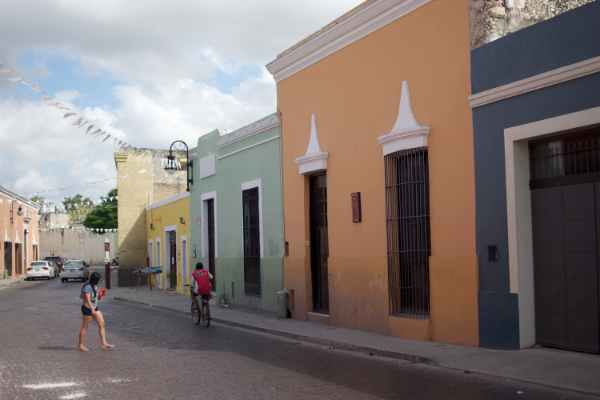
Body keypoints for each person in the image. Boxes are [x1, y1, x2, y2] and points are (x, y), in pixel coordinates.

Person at [79, 272, 114, 352]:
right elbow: (87, 299)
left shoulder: (94, 285)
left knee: (102, 324)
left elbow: (96, 298)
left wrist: (101, 294)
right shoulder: (87, 286)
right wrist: (92, 309)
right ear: (95, 280)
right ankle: (81, 345)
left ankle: (104, 343)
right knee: (85, 327)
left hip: (95, 308)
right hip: (87, 309)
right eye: (98, 280)